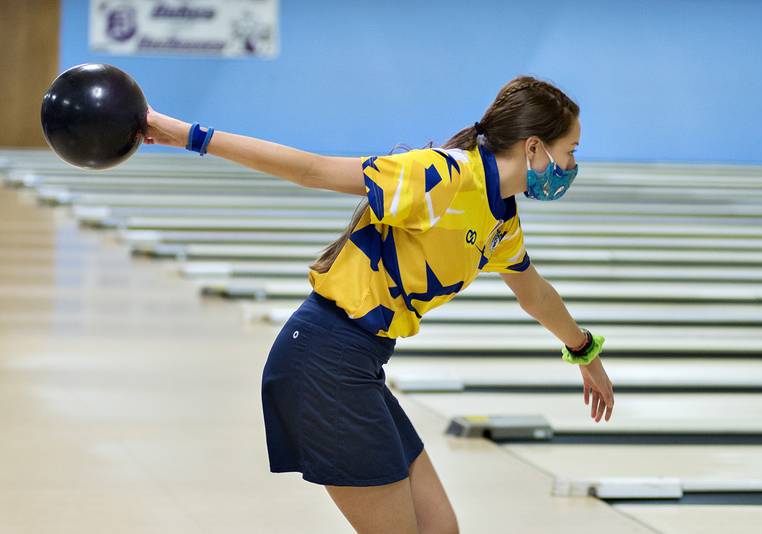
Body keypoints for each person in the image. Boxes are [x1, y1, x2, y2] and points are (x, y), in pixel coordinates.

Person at [144, 75, 615, 534]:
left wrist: (584, 352)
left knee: (439, 528)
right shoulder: (442, 175)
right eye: (570, 151)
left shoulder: (502, 220)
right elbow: (311, 169)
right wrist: (189, 135)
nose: (571, 165)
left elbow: (533, 291)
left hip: (358, 364)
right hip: (324, 359)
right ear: (535, 148)